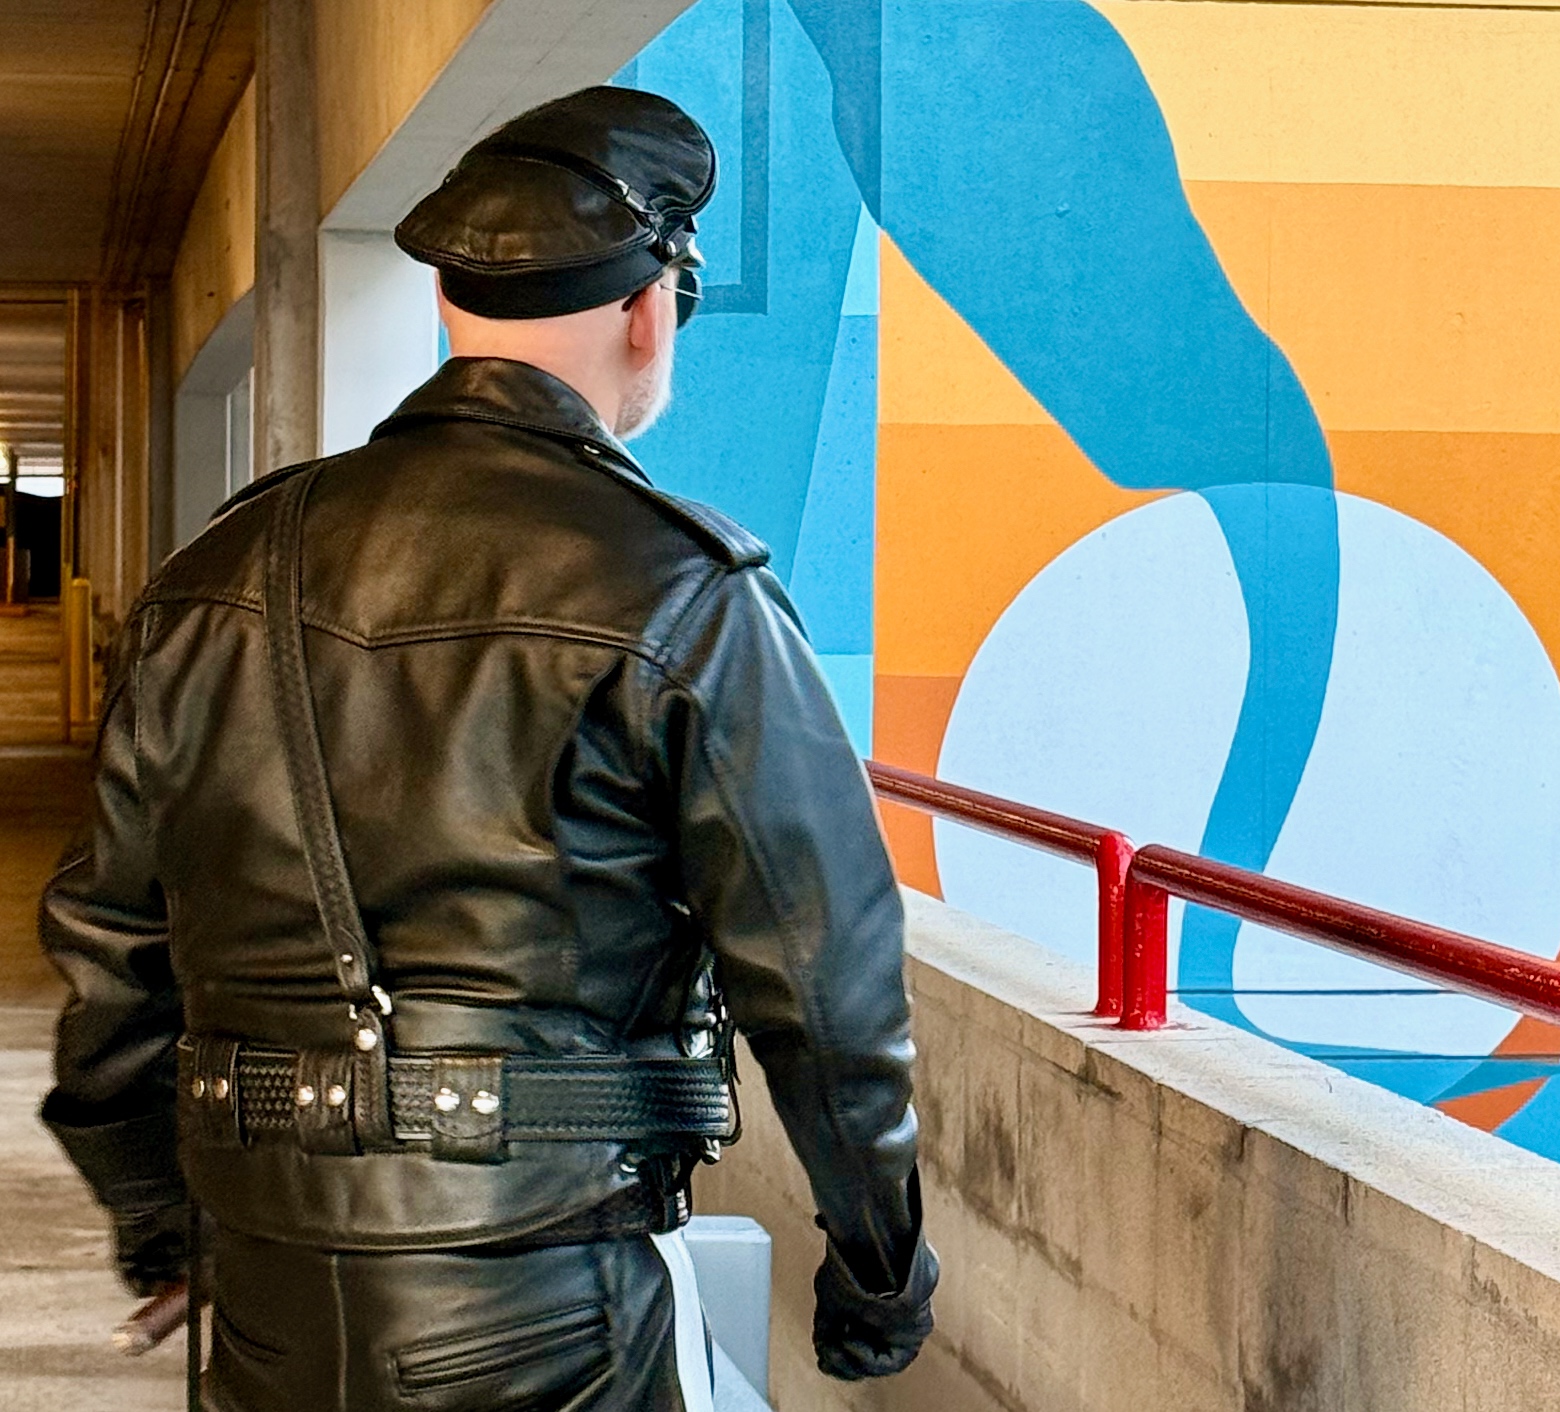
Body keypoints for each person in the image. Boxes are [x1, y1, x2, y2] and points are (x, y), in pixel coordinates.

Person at [38, 84, 935, 1411]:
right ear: (651, 310)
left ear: (450, 306)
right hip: (547, 1295)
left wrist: (161, 1219)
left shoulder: (216, 574)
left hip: (267, 1281)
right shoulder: (682, 590)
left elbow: (110, 938)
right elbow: (823, 986)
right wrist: (878, 1271)